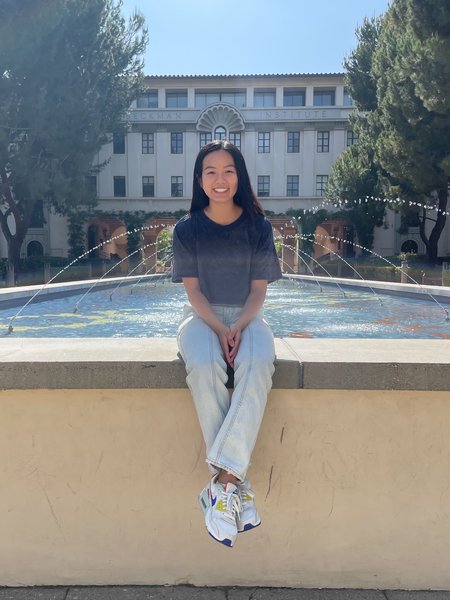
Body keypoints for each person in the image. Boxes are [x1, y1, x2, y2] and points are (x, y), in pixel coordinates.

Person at [172, 140, 282, 547]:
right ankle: (234, 485)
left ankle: (223, 484)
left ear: (240, 176)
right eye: (211, 172)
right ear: (200, 180)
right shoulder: (187, 229)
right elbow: (193, 293)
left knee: (257, 362)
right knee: (203, 363)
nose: (220, 179)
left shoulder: (258, 226)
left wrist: (239, 325)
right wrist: (220, 327)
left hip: (249, 315)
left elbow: (258, 291)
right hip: (203, 317)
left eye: (228, 170)